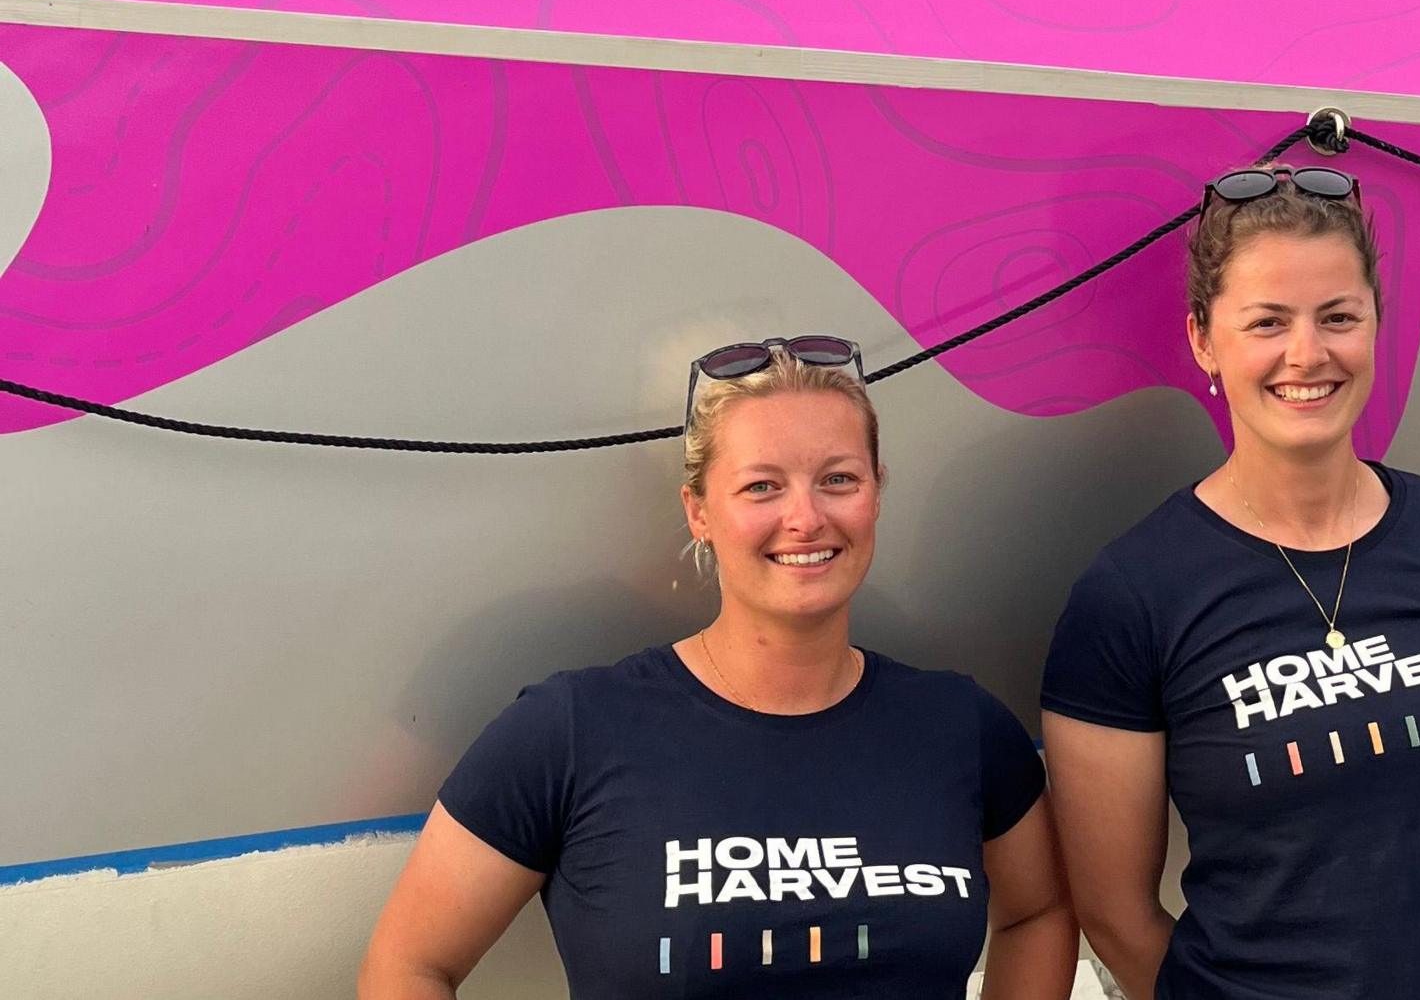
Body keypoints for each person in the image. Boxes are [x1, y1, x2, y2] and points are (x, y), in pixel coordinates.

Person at [359, 337, 1076, 999]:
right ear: (698, 511)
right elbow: (410, 962)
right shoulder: (570, 731)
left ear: (877, 493)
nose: (805, 517)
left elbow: (1038, 913)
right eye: (762, 486)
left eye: (839, 478)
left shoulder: (961, 725)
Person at [1040, 165, 1420, 1000]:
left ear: (1376, 323)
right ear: (1205, 339)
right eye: (1267, 322)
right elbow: (1117, 915)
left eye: (1338, 317)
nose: (1307, 354)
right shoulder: (1130, 595)